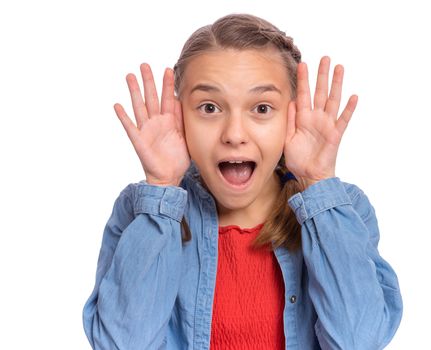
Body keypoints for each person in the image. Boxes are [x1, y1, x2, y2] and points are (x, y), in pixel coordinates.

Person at [82, 13, 403, 350]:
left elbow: (358, 342)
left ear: (291, 117)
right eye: (209, 107)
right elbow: (123, 344)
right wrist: (161, 188)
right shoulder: (140, 212)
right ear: (180, 117)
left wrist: (317, 183)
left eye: (262, 108)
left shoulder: (342, 211)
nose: (234, 134)